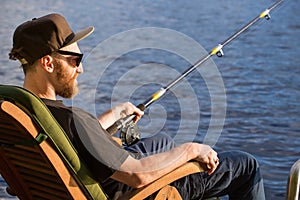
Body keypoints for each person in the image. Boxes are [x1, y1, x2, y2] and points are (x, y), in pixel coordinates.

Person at [8, 13, 265, 200]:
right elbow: (139, 177)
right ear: (48, 64)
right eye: (74, 60)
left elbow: (68, 142)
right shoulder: (70, 117)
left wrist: (115, 114)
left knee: (162, 139)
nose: (81, 69)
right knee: (244, 165)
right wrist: (192, 149)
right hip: (138, 191)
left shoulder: (23, 109)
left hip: (92, 179)